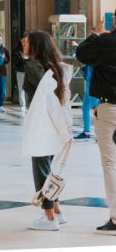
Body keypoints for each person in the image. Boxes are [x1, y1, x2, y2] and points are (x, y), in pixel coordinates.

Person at [22, 30, 72, 231]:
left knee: (40, 170)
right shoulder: (56, 67)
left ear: (35, 46)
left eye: (26, 43)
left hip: (42, 124)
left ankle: (49, 217)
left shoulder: (32, 65)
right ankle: (58, 212)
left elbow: (43, 92)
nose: (23, 46)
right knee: (47, 168)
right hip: (52, 123)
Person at [76, 16, 116, 232]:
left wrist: (96, 34)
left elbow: (81, 52)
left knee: (110, 163)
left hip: (109, 108)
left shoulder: (105, 42)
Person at [12, 33, 29, 112]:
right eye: (23, 40)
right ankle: (23, 104)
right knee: (21, 88)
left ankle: (29, 102)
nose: (24, 42)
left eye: (26, 40)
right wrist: (22, 58)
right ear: (20, 41)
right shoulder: (17, 50)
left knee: (29, 88)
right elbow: (15, 61)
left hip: (30, 71)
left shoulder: (31, 48)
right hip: (21, 71)